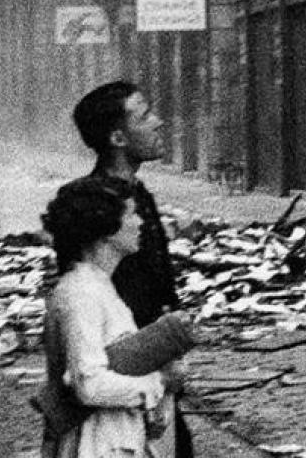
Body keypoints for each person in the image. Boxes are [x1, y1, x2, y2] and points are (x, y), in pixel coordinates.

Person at [71, 80, 193, 456]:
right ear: (118, 139)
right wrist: (154, 370)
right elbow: (85, 305)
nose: (158, 122)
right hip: (119, 386)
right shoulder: (89, 206)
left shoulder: (138, 196)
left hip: (151, 373)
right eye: (144, 116)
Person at [40, 176, 180, 457]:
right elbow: (89, 386)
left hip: (112, 442)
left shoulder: (99, 286)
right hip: (92, 446)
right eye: (131, 214)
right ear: (105, 228)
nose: (140, 223)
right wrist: (158, 383)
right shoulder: (81, 292)